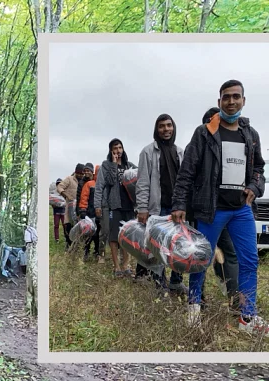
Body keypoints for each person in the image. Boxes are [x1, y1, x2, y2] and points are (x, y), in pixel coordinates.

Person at [171, 79, 267, 333]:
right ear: (219, 102)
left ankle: (247, 317)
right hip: (212, 210)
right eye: (226, 97)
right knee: (200, 260)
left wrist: (255, 187)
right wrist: (179, 203)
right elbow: (187, 171)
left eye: (236, 96)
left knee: (249, 261)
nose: (232, 101)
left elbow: (259, 168)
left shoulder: (251, 134)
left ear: (243, 101)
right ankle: (194, 308)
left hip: (241, 210)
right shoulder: (204, 133)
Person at [134, 114, 188, 296]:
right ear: (156, 130)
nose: (166, 129)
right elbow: (142, 183)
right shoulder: (148, 152)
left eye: (169, 125)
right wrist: (142, 208)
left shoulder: (180, 152)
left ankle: (176, 282)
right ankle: (159, 285)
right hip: (157, 209)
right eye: (161, 126)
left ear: (173, 128)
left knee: (178, 246)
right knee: (159, 247)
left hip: (177, 209)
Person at [196, 107, 241, 315]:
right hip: (205, 212)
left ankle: (235, 298)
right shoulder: (199, 144)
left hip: (228, 211)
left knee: (229, 254)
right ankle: (197, 298)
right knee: (202, 255)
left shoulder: (233, 146)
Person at [94, 139, 137, 278]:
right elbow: (103, 185)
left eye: (120, 147)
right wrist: (97, 205)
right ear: (110, 150)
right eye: (115, 148)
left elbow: (139, 181)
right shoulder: (106, 166)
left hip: (129, 206)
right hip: (113, 206)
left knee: (127, 236)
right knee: (114, 236)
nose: (118, 151)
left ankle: (126, 265)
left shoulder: (129, 165)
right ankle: (117, 266)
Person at [57, 163, 86, 248]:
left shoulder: (84, 181)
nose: (80, 175)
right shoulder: (69, 179)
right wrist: (65, 194)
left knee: (79, 227)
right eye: (79, 173)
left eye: (82, 174)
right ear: (75, 172)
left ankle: (77, 246)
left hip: (80, 208)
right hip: (69, 207)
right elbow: (59, 187)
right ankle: (69, 244)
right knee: (69, 226)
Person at [78, 165, 103, 262]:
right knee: (89, 234)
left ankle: (98, 252)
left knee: (99, 236)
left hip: (101, 216)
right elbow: (84, 198)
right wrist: (83, 210)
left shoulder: (105, 185)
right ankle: (86, 252)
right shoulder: (89, 184)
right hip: (90, 214)